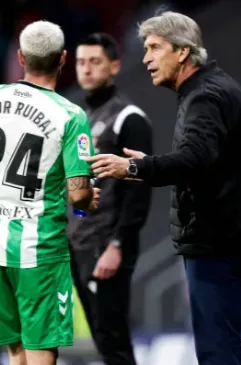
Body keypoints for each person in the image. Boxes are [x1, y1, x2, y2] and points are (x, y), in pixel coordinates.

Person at [86, 11, 241, 365]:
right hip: (222, 236)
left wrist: (134, 166)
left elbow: (195, 159)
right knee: (219, 343)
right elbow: (203, 160)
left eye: (154, 48)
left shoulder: (205, 96)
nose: (146, 59)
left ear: (182, 52)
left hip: (217, 240)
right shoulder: (207, 90)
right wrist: (149, 165)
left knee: (217, 349)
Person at [0, 20, 99, 365]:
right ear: (63, 59)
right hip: (38, 251)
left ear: (20, 57)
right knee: (41, 350)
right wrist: (87, 198)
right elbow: (78, 194)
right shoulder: (70, 115)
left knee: (15, 351)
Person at [68, 32, 152, 365]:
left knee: (113, 341)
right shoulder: (78, 119)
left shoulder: (128, 118)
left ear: (115, 66)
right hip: (78, 243)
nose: (86, 69)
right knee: (103, 342)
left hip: (106, 246)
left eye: (95, 62)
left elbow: (139, 190)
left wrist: (118, 245)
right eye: (80, 62)